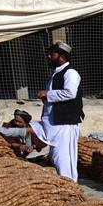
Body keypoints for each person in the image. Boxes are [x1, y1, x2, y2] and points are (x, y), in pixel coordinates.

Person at [37, 41, 83, 180]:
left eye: (52, 54)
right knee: (56, 157)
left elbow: (70, 93)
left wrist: (48, 94)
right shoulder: (56, 74)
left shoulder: (70, 73)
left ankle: (70, 187)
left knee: (64, 158)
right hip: (56, 123)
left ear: (62, 57)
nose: (49, 56)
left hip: (65, 124)